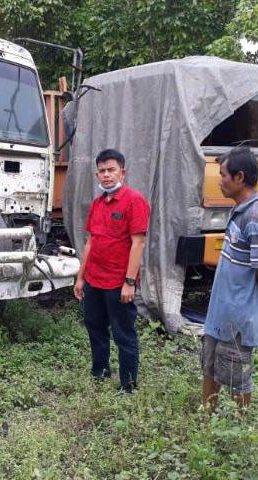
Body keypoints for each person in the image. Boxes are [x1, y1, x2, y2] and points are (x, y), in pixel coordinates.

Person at [201, 147, 258, 413]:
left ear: (240, 177)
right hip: (221, 311)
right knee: (209, 364)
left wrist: (249, 297)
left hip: (237, 315)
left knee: (236, 376)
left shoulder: (256, 217)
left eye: (223, 175)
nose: (219, 180)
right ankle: (207, 416)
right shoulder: (240, 210)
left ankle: (240, 426)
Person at [73, 149, 150, 394]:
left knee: (123, 334)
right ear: (97, 174)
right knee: (94, 326)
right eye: (102, 171)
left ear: (122, 172)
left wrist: (129, 281)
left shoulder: (134, 201)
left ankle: (128, 386)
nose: (106, 175)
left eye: (111, 170)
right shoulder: (98, 203)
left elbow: (138, 243)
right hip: (94, 280)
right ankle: (100, 372)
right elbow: (91, 242)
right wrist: (81, 277)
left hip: (118, 282)